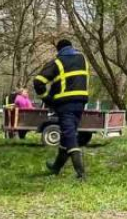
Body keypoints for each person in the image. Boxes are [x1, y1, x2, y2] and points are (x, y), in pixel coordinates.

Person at [33, 39, 90, 179]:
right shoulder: (82, 58)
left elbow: (38, 81)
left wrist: (47, 98)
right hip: (81, 101)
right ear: (71, 47)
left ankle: (80, 172)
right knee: (67, 135)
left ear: (59, 50)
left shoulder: (58, 62)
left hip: (65, 104)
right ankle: (56, 167)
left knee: (69, 135)